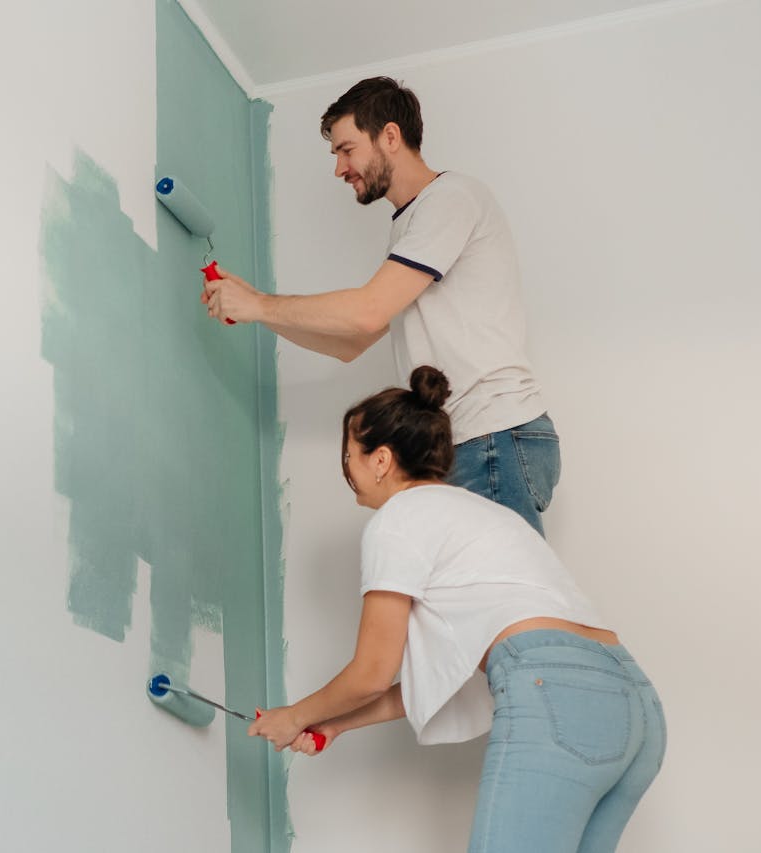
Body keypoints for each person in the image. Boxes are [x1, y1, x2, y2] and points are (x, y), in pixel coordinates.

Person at [248, 366, 665, 853]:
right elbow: (436, 682)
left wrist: (293, 715)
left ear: (380, 459)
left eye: (348, 456)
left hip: (555, 695)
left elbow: (371, 673)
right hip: (637, 705)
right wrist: (335, 721)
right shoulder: (484, 516)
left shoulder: (398, 520)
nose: (347, 472)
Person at [202, 77, 559, 535]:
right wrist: (256, 309)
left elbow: (367, 310)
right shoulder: (413, 226)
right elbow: (349, 343)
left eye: (346, 150)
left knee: (497, 584)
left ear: (390, 136)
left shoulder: (449, 199)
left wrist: (259, 303)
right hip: (475, 442)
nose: (339, 168)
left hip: (493, 437)